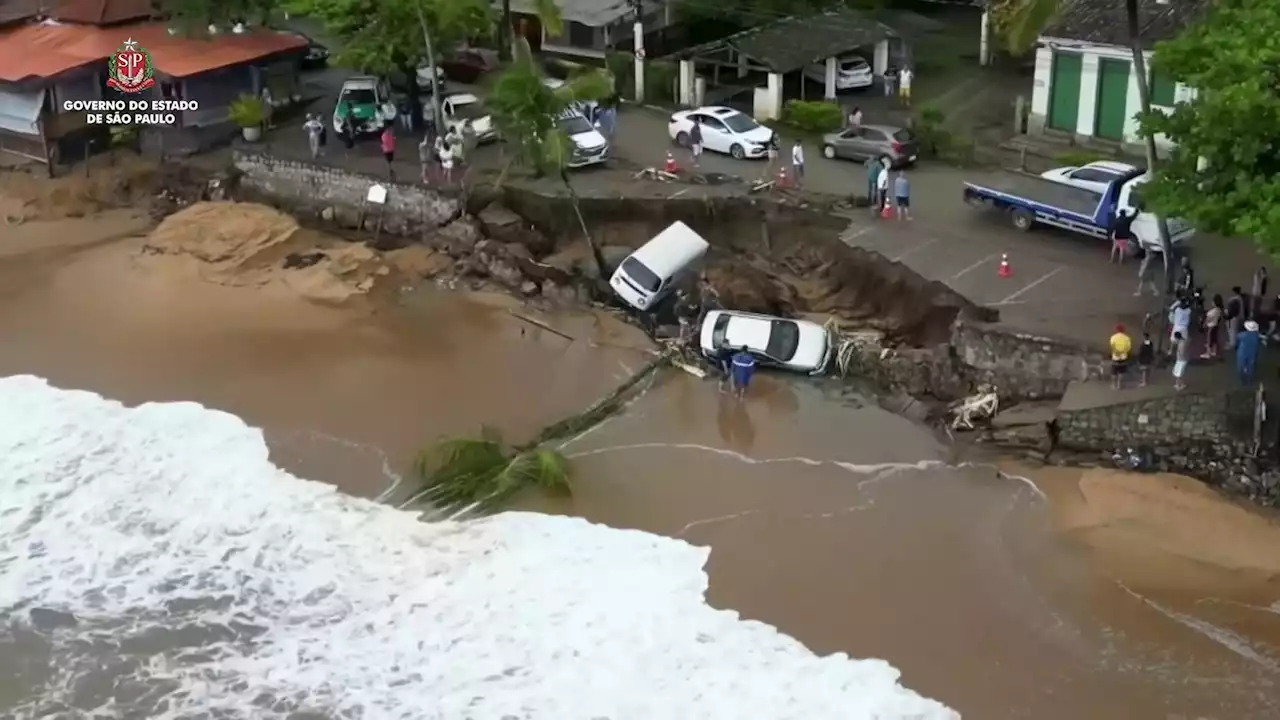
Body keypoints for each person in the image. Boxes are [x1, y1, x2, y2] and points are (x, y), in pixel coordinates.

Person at [1236, 320, 1261, 385]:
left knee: (1241, 366)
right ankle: (1249, 380)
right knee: (1250, 366)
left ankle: (1242, 380)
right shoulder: (1256, 336)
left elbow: (1237, 342)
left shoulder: (1242, 335)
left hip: (1242, 353)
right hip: (1252, 353)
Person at [1109, 323, 1132, 389]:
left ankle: (1114, 385)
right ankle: (1119, 385)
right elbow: (1128, 348)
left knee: (1114, 372)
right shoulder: (1127, 338)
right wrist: (1122, 352)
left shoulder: (1113, 337)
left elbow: (1112, 346)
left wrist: (1117, 352)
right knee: (1121, 372)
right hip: (1123, 357)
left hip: (1115, 357)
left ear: (1116, 330)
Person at [1202, 293, 1224, 359]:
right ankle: (1214, 351)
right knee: (1214, 339)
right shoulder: (1219, 310)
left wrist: (1204, 324)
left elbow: (1208, 319)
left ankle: (1208, 354)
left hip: (1211, 327)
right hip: (1216, 326)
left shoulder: (1212, 311)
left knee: (1209, 340)